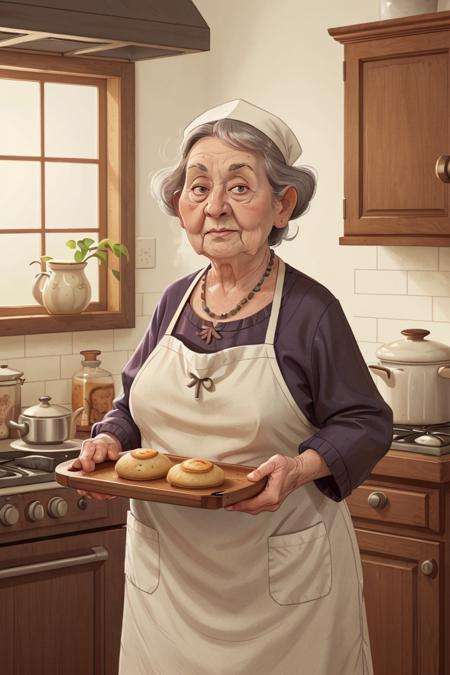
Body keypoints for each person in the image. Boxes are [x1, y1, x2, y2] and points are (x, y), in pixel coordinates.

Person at [70, 99, 393, 675]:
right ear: (180, 205)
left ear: (282, 204)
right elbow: (131, 406)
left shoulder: (311, 312)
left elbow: (365, 422)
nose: (215, 207)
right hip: (167, 580)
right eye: (198, 188)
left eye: (240, 188)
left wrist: (299, 469)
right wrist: (108, 441)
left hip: (279, 582)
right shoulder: (173, 301)